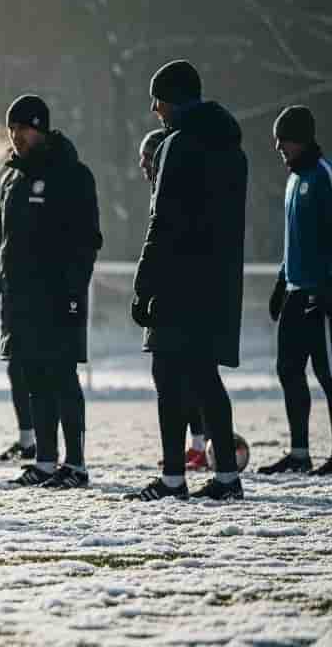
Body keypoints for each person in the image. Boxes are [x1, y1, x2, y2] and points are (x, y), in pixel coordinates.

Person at [127, 59, 247, 501]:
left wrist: (144, 284)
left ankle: (174, 478)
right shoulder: (230, 148)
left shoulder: (178, 145)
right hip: (216, 280)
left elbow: (163, 222)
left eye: (158, 101)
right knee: (204, 375)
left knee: (167, 373)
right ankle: (227, 478)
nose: (156, 111)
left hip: (178, 280)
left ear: (173, 99)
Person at [0, 95, 101, 489]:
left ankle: (76, 466)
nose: (16, 137)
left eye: (24, 129)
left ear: (42, 129)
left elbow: (87, 240)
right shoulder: (11, 178)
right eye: (11, 129)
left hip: (57, 295)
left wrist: (72, 291)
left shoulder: (72, 173)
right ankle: (45, 463)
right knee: (34, 378)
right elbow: (2, 238)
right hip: (20, 298)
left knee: (62, 376)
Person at [258, 105, 332, 477]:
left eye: (284, 139)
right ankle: (299, 453)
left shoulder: (327, 176)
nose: (279, 146)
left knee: (329, 372)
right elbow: (293, 240)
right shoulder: (293, 181)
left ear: (301, 138)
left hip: (322, 291)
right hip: (297, 290)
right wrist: (282, 281)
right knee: (288, 368)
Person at [140, 128, 209, 473]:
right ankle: (196, 447)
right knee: (176, 377)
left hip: (179, 296)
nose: (142, 165)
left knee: (186, 378)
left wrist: (148, 282)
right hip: (168, 293)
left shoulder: (174, 193)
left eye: (146, 158)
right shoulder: (159, 192)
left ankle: (203, 447)